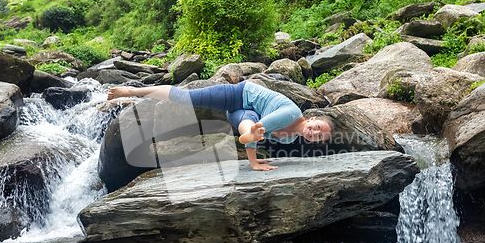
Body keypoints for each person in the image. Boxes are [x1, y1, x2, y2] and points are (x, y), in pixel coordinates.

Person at [107, 81, 333, 171]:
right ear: (311, 119)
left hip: (243, 115)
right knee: (185, 98)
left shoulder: (289, 139)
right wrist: (252, 149)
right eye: (317, 127)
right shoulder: (291, 113)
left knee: (250, 127)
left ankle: (246, 135)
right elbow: (259, 128)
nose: (314, 132)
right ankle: (132, 91)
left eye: (318, 136)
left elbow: (256, 130)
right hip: (236, 95)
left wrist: (253, 158)